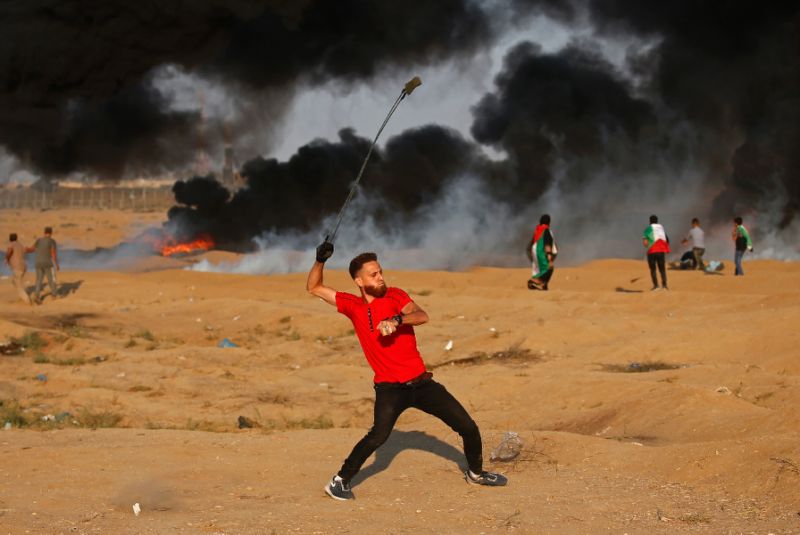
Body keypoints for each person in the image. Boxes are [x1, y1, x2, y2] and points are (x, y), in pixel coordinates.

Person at [307, 241, 507, 501]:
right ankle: (339, 481)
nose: (381, 277)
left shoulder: (396, 296)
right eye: (374, 274)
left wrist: (397, 320)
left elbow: (421, 315)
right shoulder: (353, 306)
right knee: (377, 437)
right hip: (390, 389)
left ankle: (476, 474)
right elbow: (314, 287)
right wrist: (320, 261)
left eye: (380, 272)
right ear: (359, 281)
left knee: (468, 426)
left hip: (423, 385)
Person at [526, 214, 557, 290]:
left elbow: (531, 243)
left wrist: (531, 255)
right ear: (549, 222)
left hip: (535, 252)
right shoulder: (546, 231)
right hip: (541, 252)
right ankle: (536, 281)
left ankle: (544, 285)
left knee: (539, 269)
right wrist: (549, 257)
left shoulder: (538, 230)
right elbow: (547, 245)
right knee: (549, 268)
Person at [32, 227, 59, 303]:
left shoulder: (38, 240)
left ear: (44, 232)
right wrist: (56, 264)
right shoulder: (52, 241)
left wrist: (24, 250)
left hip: (38, 263)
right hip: (48, 263)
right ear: (51, 233)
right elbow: (53, 253)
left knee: (38, 280)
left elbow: (32, 249)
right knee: (51, 279)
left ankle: (37, 296)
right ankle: (54, 295)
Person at [642, 215, 670, 290]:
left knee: (653, 269)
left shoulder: (647, 229)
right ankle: (664, 285)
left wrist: (648, 245)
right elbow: (666, 239)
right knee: (662, 269)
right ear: (657, 221)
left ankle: (656, 286)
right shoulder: (661, 228)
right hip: (661, 251)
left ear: (650, 221)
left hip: (652, 251)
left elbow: (645, 243)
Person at [5, 233, 32, 305]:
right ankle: (22, 295)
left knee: (18, 284)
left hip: (17, 267)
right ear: (16, 238)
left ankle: (26, 299)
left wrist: (6, 259)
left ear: (10, 239)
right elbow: (26, 251)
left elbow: (10, 250)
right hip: (23, 266)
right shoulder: (20, 245)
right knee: (15, 282)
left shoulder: (11, 244)